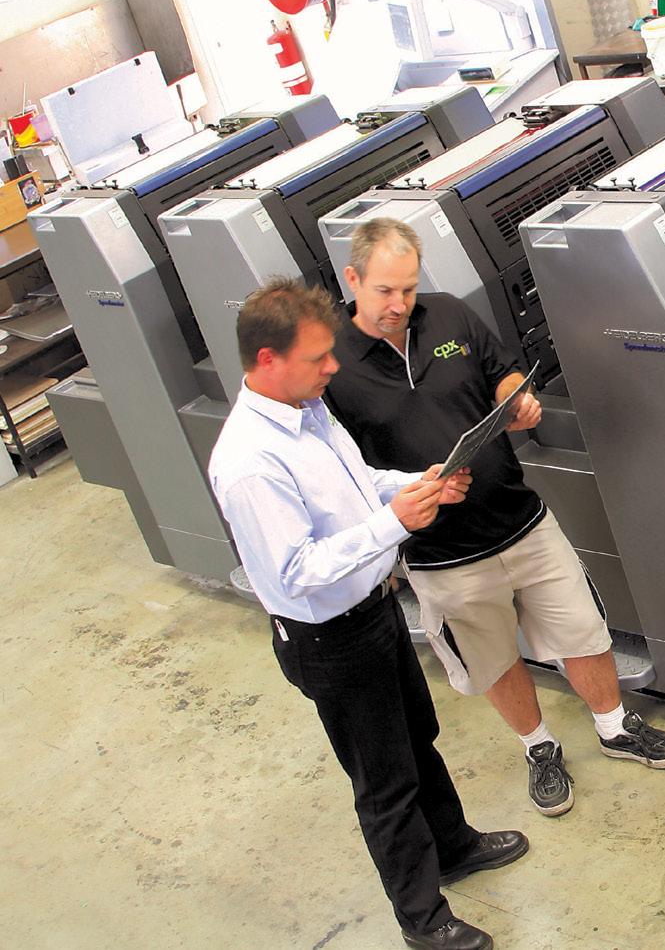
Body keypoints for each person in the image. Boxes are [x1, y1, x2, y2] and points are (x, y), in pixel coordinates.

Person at [324, 217, 665, 818]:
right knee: (493, 658)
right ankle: (539, 748)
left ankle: (614, 725)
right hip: (441, 553)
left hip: (520, 519)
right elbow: (335, 469)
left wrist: (516, 401)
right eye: (385, 291)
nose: (399, 304)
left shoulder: (447, 314)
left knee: (583, 628)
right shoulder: (330, 360)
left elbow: (502, 371)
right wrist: (407, 494)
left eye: (408, 288)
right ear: (352, 279)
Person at [207, 278, 525, 950]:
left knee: (418, 738)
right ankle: (422, 919)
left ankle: (453, 846)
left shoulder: (309, 410)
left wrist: (417, 485)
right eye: (318, 357)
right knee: (384, 784)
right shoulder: (250, 464)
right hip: (331, 640)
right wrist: (395, 523)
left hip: (374, 611)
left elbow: (359, 485)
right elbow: (297, 571)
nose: (333, 366)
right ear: (267, 359)